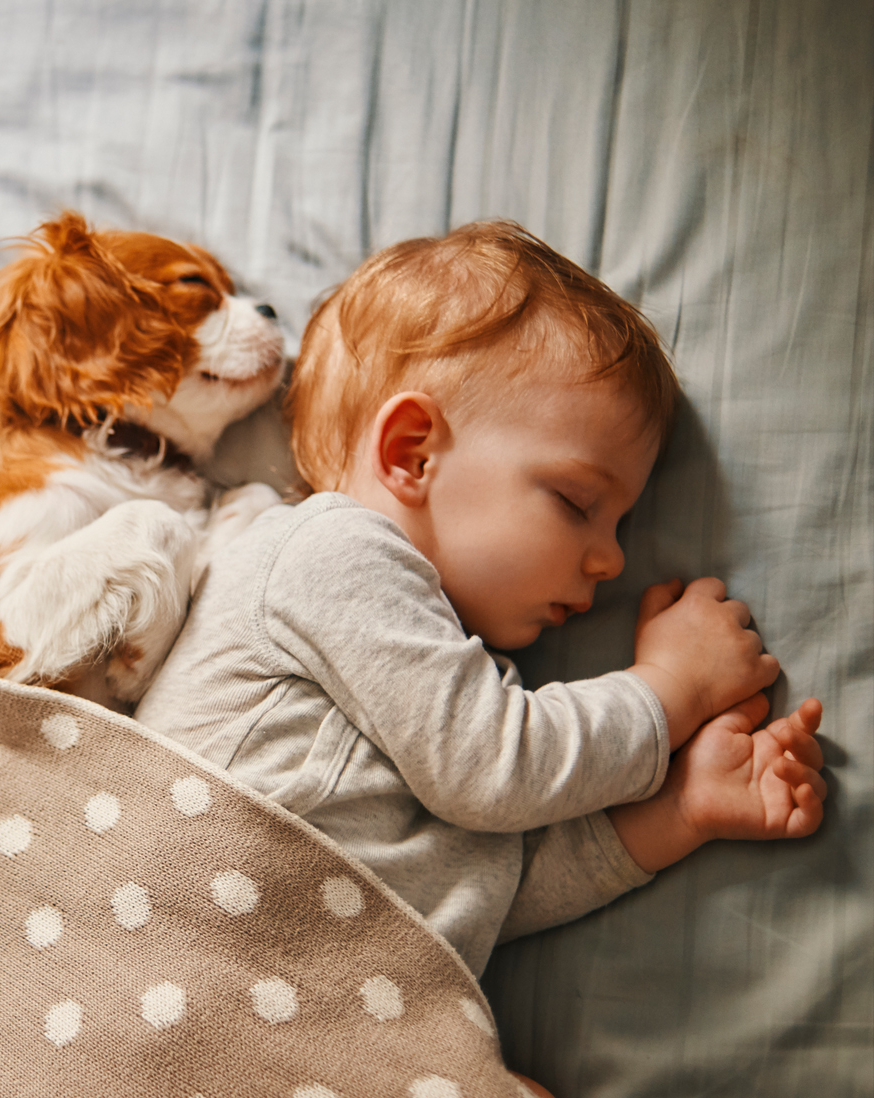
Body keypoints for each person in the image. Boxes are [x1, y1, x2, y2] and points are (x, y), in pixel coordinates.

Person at [133, 220, 827, 984]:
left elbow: (474, 895)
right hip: (184, 964)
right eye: (575, 501)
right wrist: (673, 688)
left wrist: (680, 810)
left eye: (621, 524)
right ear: (412, 455)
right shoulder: (327, 551)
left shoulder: (443, 672)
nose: (613, 559)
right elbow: (494, 770)